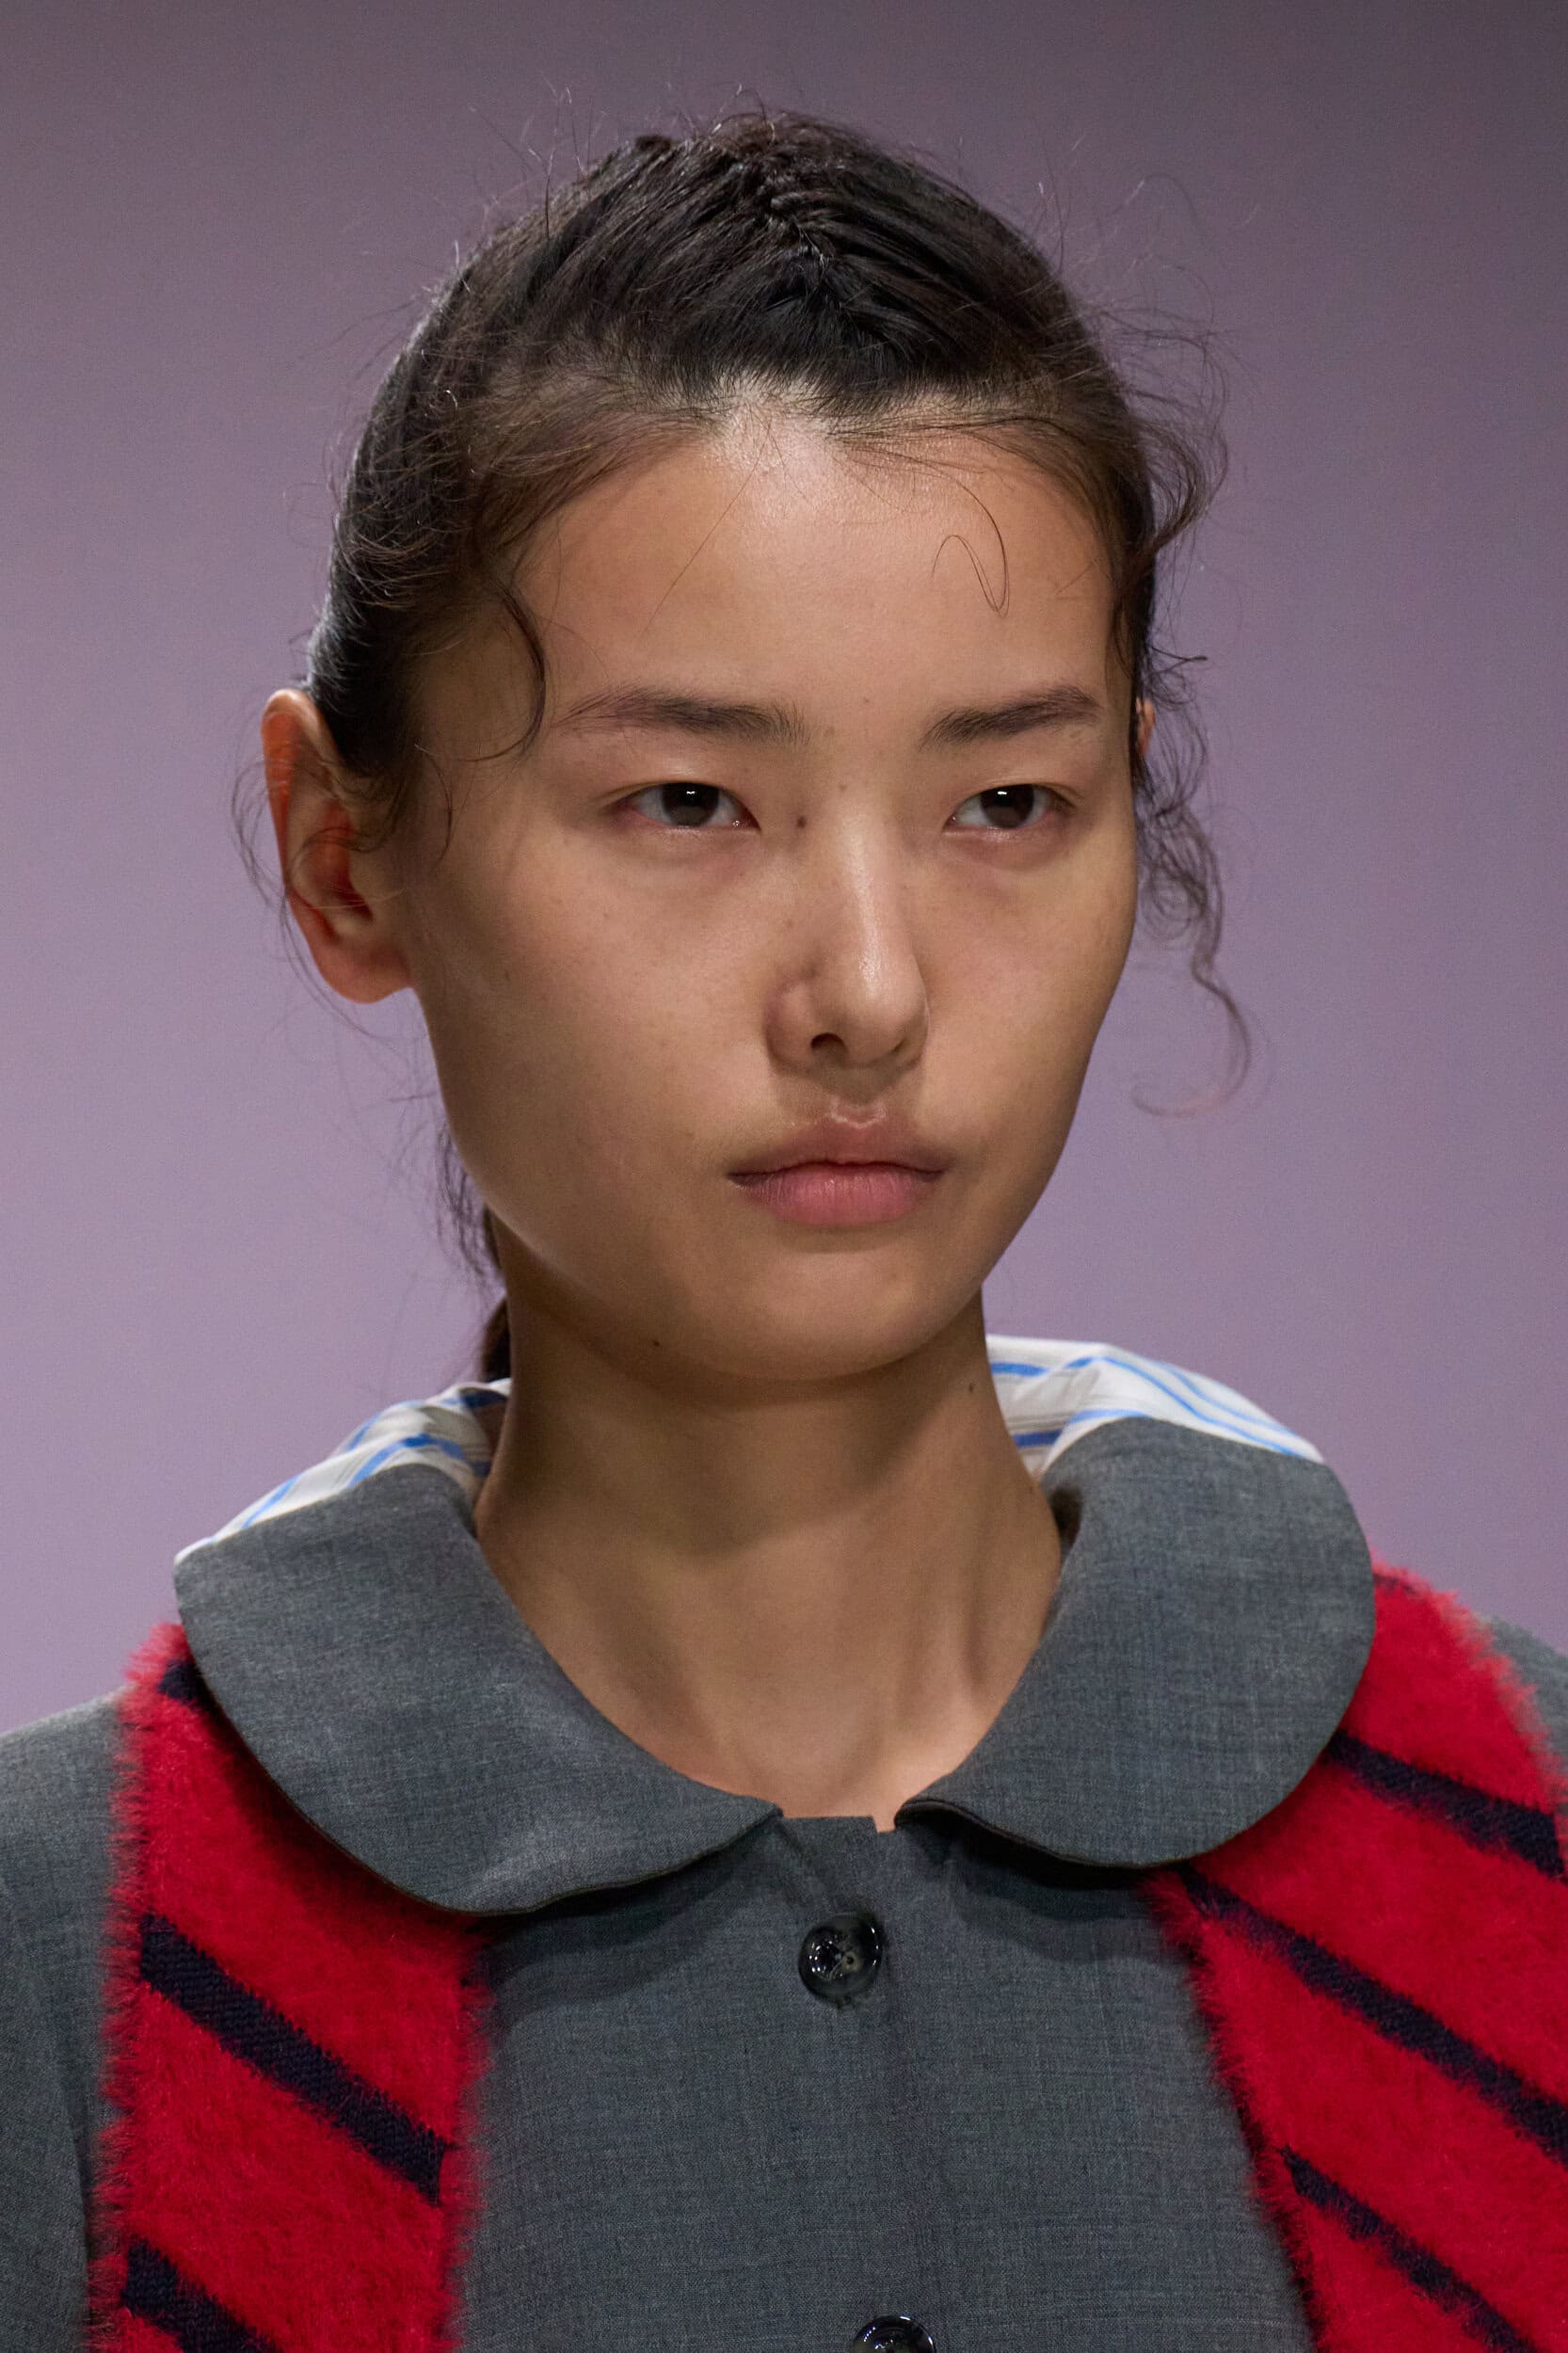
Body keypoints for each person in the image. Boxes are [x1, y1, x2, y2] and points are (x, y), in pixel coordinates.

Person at [3, 109, 1566, 2353]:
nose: (868, 988)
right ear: (344, 854)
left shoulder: (1516, 1828)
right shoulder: (66, 1960)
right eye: (687, 802)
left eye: (1003, 801)